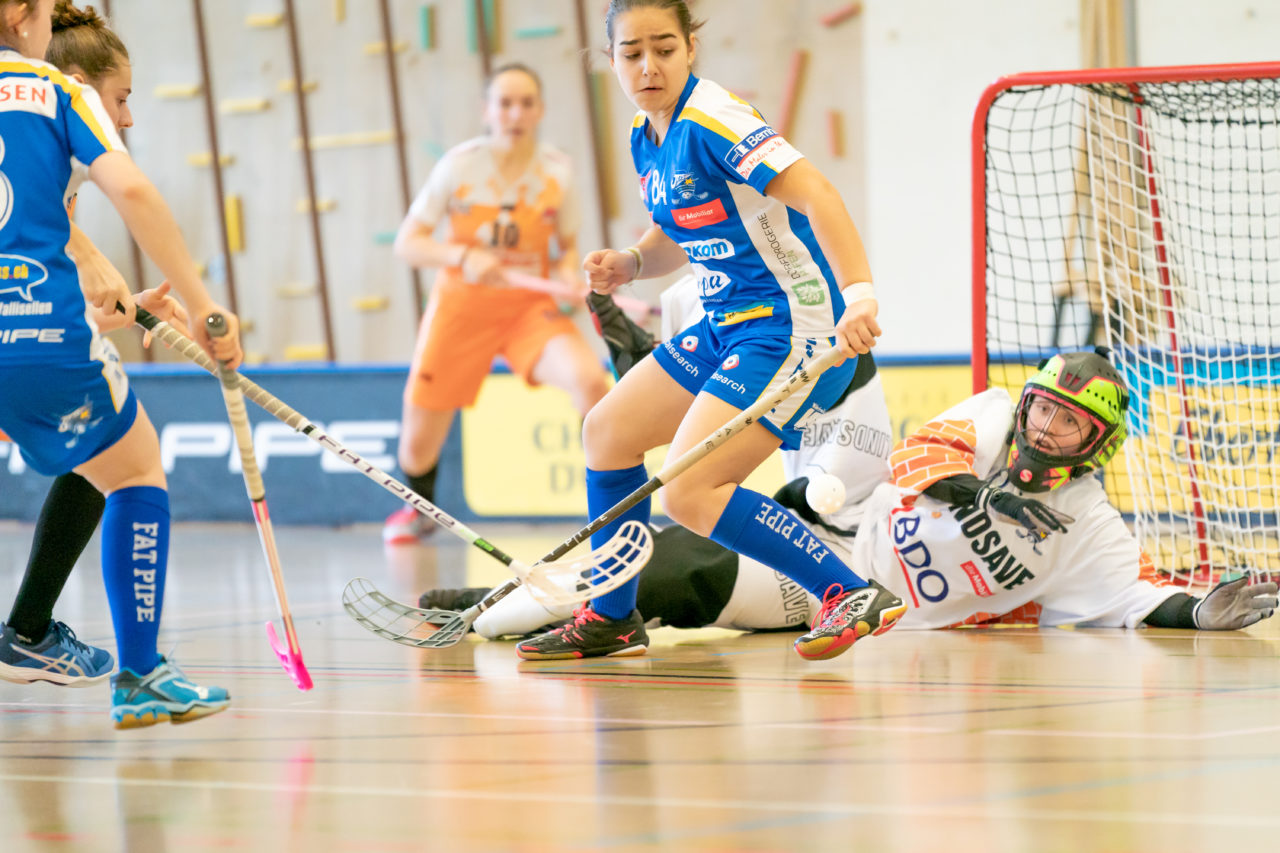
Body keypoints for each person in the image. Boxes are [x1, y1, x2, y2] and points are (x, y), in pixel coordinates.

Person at [513, 0, 904, 662]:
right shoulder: (648, 132)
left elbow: (818, 194)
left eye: (664, 48)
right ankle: (613, 614)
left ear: (691, 47)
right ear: (611, 60)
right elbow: (684, 222)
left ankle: (849, 592)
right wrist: (634, 261)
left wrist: (859, 295)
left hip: (788, 327)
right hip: (726, 321)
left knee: (691, 490)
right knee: (606, 433)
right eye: (631, 53)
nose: (648, 65)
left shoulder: (714, 118)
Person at [429, 348, 1278, 638]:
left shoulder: (1089, 528)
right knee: (662, 539)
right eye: (1044, 410)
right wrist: (981, 496)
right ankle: (493, 602)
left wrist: (1203, 612)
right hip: (837, 548)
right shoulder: (986, 417)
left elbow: (1136, 601)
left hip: (857, 610)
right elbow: (918, 461)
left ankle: (494, 611)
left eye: (1070, 427)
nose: (1046, 432)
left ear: (1099, 446)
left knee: (676, 574)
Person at [0, 0, 241, 728]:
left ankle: (30, 630)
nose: (128, 115)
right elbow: (130, 187)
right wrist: (203, 304)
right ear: (20, 16)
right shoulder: (52, 90)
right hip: (34, 336)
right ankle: (139, 672)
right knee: (134, 467)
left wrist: (116, 302)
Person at [384, 62, 610, 545]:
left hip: (529, 309)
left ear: (541, 110)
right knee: (416, 447)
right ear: (486, 111)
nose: (515, 114)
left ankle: (609, 509)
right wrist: (462, 254)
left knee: (591, 381)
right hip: (461, 308)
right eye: (504, 103)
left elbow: (566, 247)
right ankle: (419, 509)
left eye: (526, 103)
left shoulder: (558, 172)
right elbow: (409, 243)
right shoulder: (459, 166)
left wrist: (571, 274)